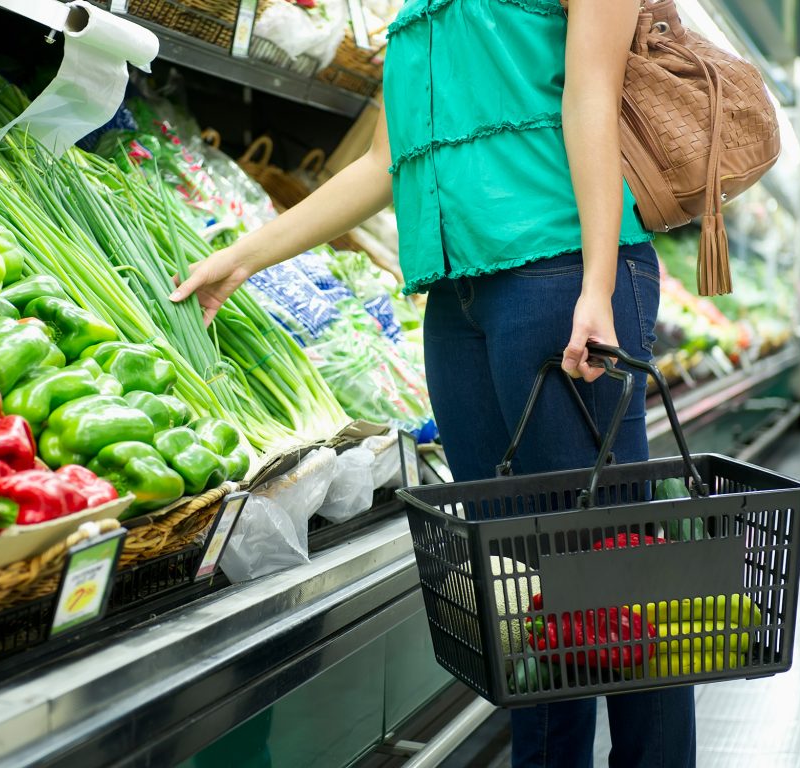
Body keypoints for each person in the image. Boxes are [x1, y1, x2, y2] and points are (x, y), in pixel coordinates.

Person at [171, 0, 697, 764]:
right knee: (518, 584)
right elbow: (389, 162)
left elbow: (591, 98)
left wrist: (597, 285)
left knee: (608, 570)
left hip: (557, 274)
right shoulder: (416, 7)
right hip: (458, 298)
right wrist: (246, 255)